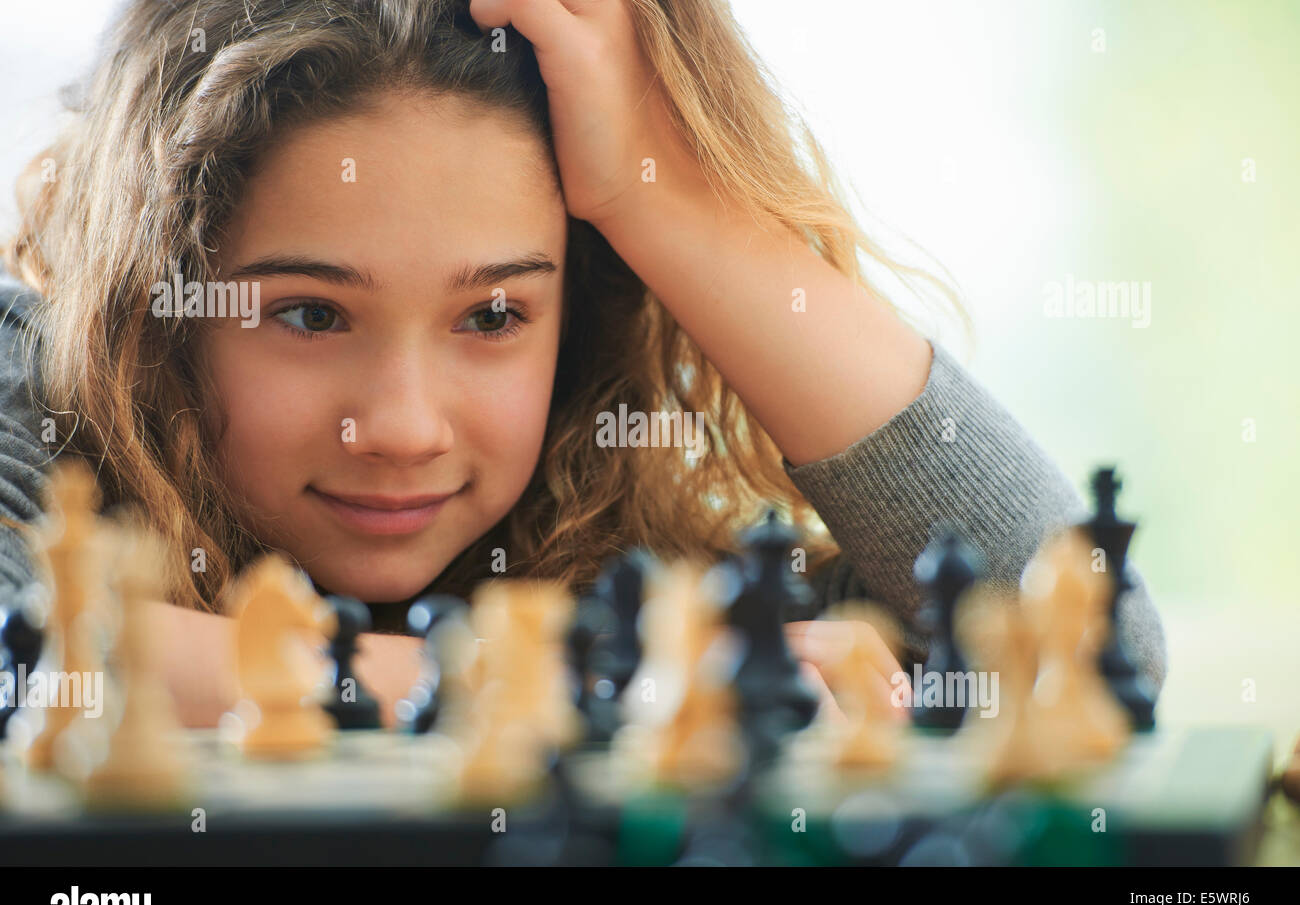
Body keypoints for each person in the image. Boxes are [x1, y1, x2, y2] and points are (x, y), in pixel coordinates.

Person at [0, 0, 1165, 725]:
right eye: (309, 315)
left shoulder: (610, 565)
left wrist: (676, 201)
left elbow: (1079, 640)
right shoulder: (30, 388)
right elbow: (28, 648)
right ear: (149, 305)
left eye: (494, 314)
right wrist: (560, 684)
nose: (404, 426)